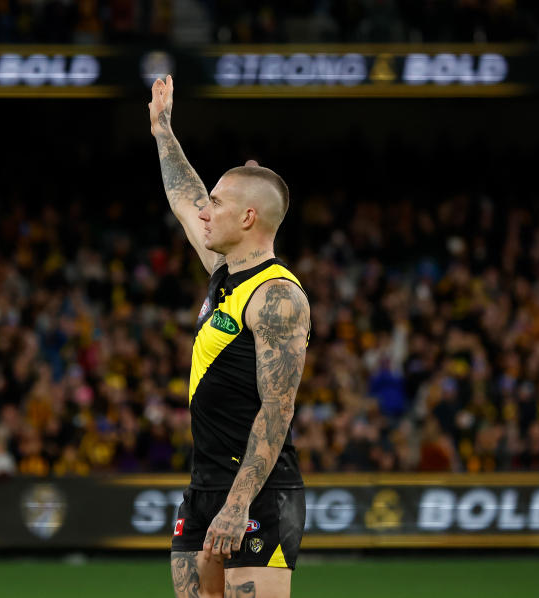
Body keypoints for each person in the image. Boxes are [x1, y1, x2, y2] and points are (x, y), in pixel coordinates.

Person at [148, 75, 310, 598]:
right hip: (204, 487)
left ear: (247, 217)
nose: (203, 211)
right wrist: (162, 131)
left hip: (257, 496)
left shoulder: (278, 297)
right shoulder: (223, 271)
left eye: (215, 203)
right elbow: (183, 197)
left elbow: (277, 409)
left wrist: (238, 505)